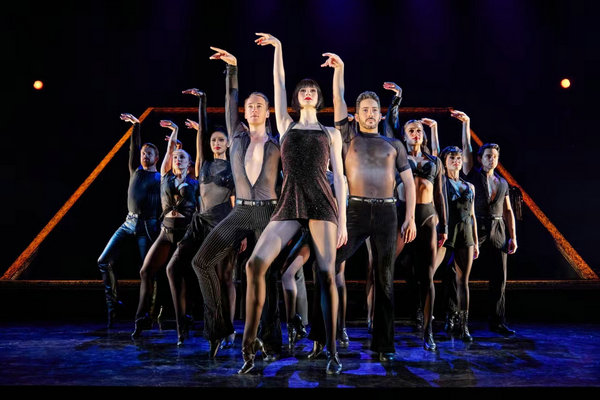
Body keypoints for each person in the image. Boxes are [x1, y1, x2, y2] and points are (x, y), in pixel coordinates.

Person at [238, 33, 347, 376]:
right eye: (303, 90)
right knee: (254, 264)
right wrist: (279, 48)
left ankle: (332, 350)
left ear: (319, 97)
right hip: (289, 201)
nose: (307, 92)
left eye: (312, 89)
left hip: (322, 204)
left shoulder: (331, 133)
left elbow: (340, 180)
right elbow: (279, 83)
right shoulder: (285, 125)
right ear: (297, 99)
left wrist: (343, 221)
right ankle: (249, 345)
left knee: (326, 274)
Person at [310, 53, 416, 362]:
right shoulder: (348, 137)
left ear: (381, 116)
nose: (370, 114)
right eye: (365, 110)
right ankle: (320, 337)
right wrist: (340, 70)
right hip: (354, 211)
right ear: (356, 115)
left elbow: (409, 184)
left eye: (374, 110)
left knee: (384, 280)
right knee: (326, 266)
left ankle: (385, 346)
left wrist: (409, 218)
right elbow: (338, 99)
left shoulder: (394, 145)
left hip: (387, 214)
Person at [190, 46, 282, 359]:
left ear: (268, 112)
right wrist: (232, 69)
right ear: (245, 112)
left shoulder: (277, 143)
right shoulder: (237, 135)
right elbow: (229, 101)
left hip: (268, 213)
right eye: (250, 106)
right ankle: (219, 329)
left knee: (267, 276)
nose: (254, 109)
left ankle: (269, 340)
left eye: (260, 106)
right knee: (201, 262)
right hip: (240, 211)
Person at [164, 88, 241, 346]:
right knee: (174, 267)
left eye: (221, 140)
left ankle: (228, 329)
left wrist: (240, 232)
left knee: (225, 278)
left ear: (228, 143)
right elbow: (202, 134)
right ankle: (184, 325)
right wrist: (202, 101)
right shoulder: (203, 164)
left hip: (224, 224)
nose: (216, 143)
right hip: (200, 224)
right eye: (213, 140)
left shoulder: (233, 168)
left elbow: (236, 203)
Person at [385, 85, 448, 351]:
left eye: (419, 130)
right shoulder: (398, 155)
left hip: (428, 217)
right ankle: (383, 325)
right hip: (402, 214)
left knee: (427, 276)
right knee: (386, 269)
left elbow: (441, 194)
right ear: (404, 135)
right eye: (411, 130)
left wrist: (444, 226)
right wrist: (397, 99)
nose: (416, 133)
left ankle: (427, 330)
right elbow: (390, 126)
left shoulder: (434, 160)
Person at [131, 120, 200, 339]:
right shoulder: (165, 176)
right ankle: (142, 318)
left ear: (189, 164)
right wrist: (175, 131)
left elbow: (200, 157)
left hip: (186, 233)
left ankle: (182, 325)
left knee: (178, 274)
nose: (178, 159)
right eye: (176, 157)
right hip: (166, 231)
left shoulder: (194, 181)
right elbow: (170, 150)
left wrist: (199, 132)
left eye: (182, 158)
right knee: (146, 271)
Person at [97, 113, 161, 328]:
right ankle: (113, 306)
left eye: (149, 153)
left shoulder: (159, 178)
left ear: (156, 158)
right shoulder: (135, 171)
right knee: (103, 260)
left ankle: (149, 314)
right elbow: (133, 148)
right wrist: (136, 126)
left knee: (148, 270)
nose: (144, 155)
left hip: (148, 226)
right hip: (128, 223)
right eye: (143, 153)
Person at [462, 137, 518, 336]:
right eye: (488, 156)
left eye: (494, 156)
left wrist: (513, 237)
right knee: (461, 273)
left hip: (498, 228)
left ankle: (498, 322)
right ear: (480, 159)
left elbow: (508, 210)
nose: (492, 159)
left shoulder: (502, 182)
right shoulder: (472, 176)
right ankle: (458, 320)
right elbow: (466, 149)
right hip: (476, 225)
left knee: (499, 278)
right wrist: (466, 124)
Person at [437, 141, 479, 341]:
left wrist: (476, 241)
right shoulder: (440, 183)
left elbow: (472, 216)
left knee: (463, 281)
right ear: (444, 162)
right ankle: (428, 318)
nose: (456, 161)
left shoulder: (469, 186)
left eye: (459, 158)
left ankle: (464, 325)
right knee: (432, 274)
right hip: (446, 233)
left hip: (465, 234)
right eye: (452, 158)